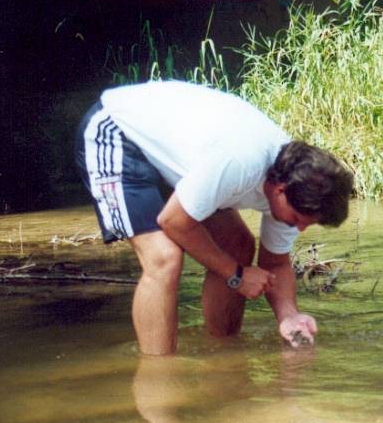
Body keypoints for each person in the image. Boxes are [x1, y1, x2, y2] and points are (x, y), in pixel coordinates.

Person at [75, 80, 354, 354]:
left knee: (238, 245)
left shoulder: (297, 186)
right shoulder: (242, 163)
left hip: (184, 159)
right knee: (164, 259)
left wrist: (288, 315)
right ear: (280, 190)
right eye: (299, 219)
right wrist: (236, 276)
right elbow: (173, 221)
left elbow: (276, 263)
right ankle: (158, 377)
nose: (301, 228)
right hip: (117, 130)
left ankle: (223, 351)